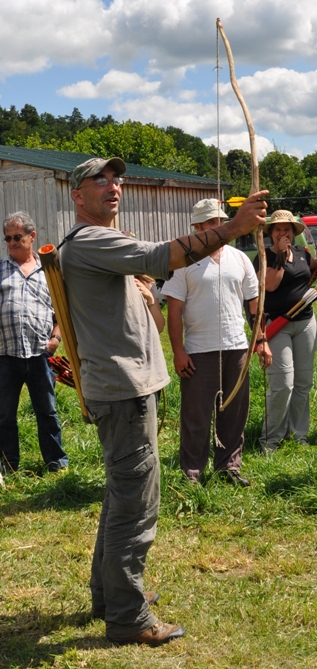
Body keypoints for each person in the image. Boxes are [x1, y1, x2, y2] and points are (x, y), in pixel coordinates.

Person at [60, 155, 268, 646]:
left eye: (117, 178)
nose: (113, 186)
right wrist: (234, 228)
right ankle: (128, 617)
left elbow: (145, 289)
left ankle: (110, 595)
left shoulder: (100, 243)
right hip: (124, 392)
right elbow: (162, 256)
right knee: (135, 504)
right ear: (78, 195)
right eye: (100, 180)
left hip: (127, 388)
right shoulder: (91, 239)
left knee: (120, 497)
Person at [162, 198, 272, 486]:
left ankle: (229, 468)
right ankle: (192, 473)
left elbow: (254, 304)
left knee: (234, 413)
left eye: (219, 221)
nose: (217, 226)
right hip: (199, 349)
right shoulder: (183, 261)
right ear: (197, 227)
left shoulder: (240, 259)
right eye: (210, 222)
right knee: (196, 415)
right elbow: (174, 309)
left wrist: (260, 339)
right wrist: (178, 351)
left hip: (237, 346)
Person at [0, 211, 68, 474]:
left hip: (41, 353)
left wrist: (56, 338)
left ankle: (56, 463)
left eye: (18, 237)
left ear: (32, 236)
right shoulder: (1, 269)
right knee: (5, 415)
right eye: (8, 238)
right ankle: (7, 465)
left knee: (47, 411)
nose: (13, 242)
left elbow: (62, 310)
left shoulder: (49, 271)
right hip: (6, 354)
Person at [254, 209, 317, 453]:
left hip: (306, 323)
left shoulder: (302, 253)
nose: (283, 232)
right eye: (278, 229)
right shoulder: (264, 256)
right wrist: (280, 254)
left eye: (287, 229)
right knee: (283, 385)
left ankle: (297, 434)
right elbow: (270, 285)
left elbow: (309, 272)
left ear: (294, 232)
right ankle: (270, 440)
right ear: (271, 233)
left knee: (303, 383)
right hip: (276, 325)